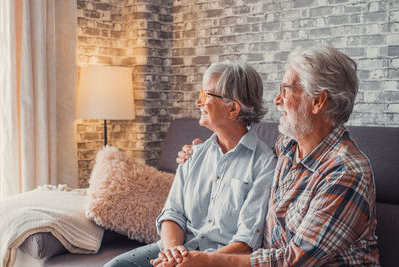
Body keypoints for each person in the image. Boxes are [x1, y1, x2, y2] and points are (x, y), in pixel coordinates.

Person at [171, 45, 380, 266]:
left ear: (318, 101)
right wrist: (204, 151)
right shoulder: (288, 145)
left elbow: (293, 260)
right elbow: (244, 161)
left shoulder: (346, 172)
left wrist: (209, 261)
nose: (277, 100)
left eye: (286, 90)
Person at [105, 61, 277, 267]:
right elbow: (172, 213)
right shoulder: (193, 154)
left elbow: (246, 241)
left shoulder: (264, 164)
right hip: (179, 251)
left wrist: (202, 261)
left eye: (206, 95)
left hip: (220, 260)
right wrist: (173, 253)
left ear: (233, 109)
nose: (198, 102)